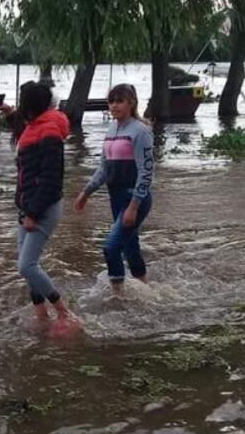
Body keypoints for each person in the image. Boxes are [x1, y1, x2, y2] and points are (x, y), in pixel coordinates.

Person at [73, 83, 155, 295]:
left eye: (120, 101)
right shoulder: (111, 130)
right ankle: (147, 290)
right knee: (130, 247)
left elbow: (146, 172)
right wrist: (86, 192)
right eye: (111, 101)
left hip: (134, 197)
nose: (114, 105)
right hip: (115, 196)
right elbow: (103, 168)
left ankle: (118, 296)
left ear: (131, 103)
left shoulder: (140, 131)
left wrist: (134, 206)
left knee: (111, 247)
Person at [12, 81, 79, 328]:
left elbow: (51, 178)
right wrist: (23, 207)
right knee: (28, 266)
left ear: (31, 103)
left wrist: (32, 212)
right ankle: (41, 315)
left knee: (26, 265)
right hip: (28, 206)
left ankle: (63, 312)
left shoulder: (49, 130)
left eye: (22, 101)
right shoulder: (34, 126)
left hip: (42, 207)